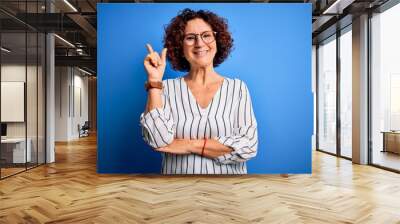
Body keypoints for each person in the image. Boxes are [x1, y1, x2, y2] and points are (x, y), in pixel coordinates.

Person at [140, 8, 258, 174]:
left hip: (229, 192)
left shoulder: (237, 88)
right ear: (180, 46)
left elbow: (248, 145)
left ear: (217, 40)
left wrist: (188, 145)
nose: (200, 43)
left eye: (206, 35)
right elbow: (158, 140)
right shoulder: (165, 88)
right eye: (190, 38)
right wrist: (154, 82)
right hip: (177, 191)